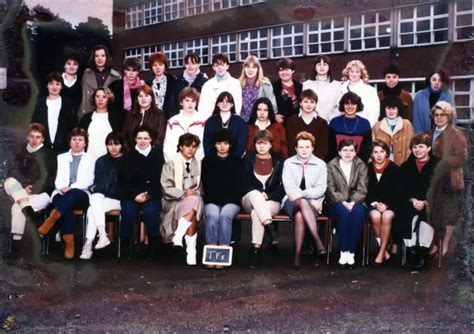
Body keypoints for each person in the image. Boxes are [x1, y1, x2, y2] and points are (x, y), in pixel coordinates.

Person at [36, 127, 96, 259]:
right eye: (74, 139)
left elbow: (89, 180)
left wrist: (72, 187)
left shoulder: (91, 159)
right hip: (61, 192)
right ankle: (70, 243)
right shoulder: (61, 157)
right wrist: (62, 187)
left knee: (72, 194)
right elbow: (57, 178)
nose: (77, 142)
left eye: (80, 140)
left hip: (81, 193)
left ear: (85, 143)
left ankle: (50, 221)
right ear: (69, 142)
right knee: (66, 205)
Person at [3, 123, 56, 257]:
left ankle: (15, 248)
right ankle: (32, 215)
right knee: (8, 181)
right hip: (22, 192)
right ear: (27, 137)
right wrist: (23, 186)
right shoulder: (22, 152)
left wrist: (32, 188)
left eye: (38, 137)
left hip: (41, 193)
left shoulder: (49, 154)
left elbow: (49, 178)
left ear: (43, 139)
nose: (34, 140)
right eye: (32, 136)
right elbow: (13, 172)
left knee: (17, 207)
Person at [118, 125, 164, 260]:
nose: (142, 141)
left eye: (146, 138)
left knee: (151, 212)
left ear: (151, 139)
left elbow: (159, 180)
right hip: (131, 195)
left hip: (151, 195)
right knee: (129, 212)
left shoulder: (157, 156)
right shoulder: (127, 157)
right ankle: (126, 247)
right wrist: (134, 196)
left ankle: (153, 248)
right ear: (135, 139)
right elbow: (123, 181)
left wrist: (148, 195)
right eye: (139, 138)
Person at [282, 131, 327, 268]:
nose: (304, 150)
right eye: (301, 147)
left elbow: (321, 189)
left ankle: (296, 257)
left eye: (307, 147)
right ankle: (317, 241)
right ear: (295, 148)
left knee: (301, 215)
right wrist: (305, 197)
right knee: (301, 202)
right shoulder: (288, 163)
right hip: (291, 202)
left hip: (314, 203)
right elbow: (289, 188)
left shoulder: (320, 164)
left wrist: (303, 194)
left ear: (312, 147)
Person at [428, 101, 468, 257]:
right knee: (434, 213)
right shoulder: (430, 133)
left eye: (442, 115)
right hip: (434, 180)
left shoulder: (456, 134)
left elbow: (462, 157)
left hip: (451, 179)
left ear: (448, 116)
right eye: (436, 115)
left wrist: (443, 162)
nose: (439, 118)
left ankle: (444, 246)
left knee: (449, 214)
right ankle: (435, 244)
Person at [242, 130, 285, 269]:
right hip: (249, 199)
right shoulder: (247, 159)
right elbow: (242, 184)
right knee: (255, 193)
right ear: (254, 145)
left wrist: (268, 195)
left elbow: (283, 187)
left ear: (271, 145)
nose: (261, 146)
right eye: (258, 143)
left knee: (257, 213)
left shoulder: (279, 161)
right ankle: (270, 229)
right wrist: (260, 193)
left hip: (271, 201)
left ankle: (256, 251)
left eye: (265, 143)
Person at [398, 134, 440, 270]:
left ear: (428, 148)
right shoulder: (406, 166)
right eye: (414, 147)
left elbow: (441, 189)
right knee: (405, 214)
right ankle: (411, 250)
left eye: (421, 146)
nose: (417, 150)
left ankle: (422, 253)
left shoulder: (438, 165)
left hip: (431, 203)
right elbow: (401, 189)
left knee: (426, 215)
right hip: (410, 202)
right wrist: (412, 200)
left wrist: (425, 202)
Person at [80, 133, 124, 260]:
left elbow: (123, 187)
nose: (113, 147)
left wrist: (104, 191)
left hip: (119, 199)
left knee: (92, 208)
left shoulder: (126, 161)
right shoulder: (101, 161)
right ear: (106, 146)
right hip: (102, 198)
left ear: (122, 145)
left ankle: (90, 244)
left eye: (116, 144)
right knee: (94, 202)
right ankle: (100, 237)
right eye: (110, 144)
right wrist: (102, 191)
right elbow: (98, 185)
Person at [201, 129, 242, 267]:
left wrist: (227, 201)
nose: (222, 146)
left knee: (224, 216)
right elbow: (206, 184)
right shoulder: (207, 161)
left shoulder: (237, 161)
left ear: (230, 145)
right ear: (214, 145)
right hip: (212, 198)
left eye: (225, 143)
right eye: (219, 143)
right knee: (212, 215)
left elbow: (238, 186)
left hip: (232, 200)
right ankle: (212, 251)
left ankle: (223, 252)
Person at [161, 133, 203, 265]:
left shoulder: (199, 164)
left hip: (193, 200)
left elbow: (201, 188)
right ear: (180, 147)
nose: (191, 149)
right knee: (194, 205)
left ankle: (179, 236)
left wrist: (193, 193)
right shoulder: (170, 164)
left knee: (195, 201)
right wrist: (184, 193)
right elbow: (166, 188)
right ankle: (191, 251)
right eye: (187, 146)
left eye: (194, 147)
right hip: (173, 200)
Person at [326, 138, 368, 269]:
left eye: (351, 150)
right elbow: (330, 188)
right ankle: (343, 251)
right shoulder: (331, 166)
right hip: (336, 202)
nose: (348, 153)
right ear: (339, 152)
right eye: (345, 150)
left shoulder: (361, 165)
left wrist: (353, 202)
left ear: (355, 152)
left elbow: (363, 188)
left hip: (357, 202)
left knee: (358, 213)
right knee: (343, 213)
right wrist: (344, 202)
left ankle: (351, 252)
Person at [366, 140, 399, 265]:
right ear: (371, 154)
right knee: (375, 215)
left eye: (382, 151)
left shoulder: (395, 169)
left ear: (387, 153)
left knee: (386, 216)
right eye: (375, 152)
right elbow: (365, 191)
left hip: (391, 205)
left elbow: (397, 192)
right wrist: (375, 204)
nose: (379, 155)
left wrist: (386, 205)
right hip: (373, 204)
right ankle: (384, 250)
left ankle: (381, 252)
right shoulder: (367, 168)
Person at [31, 72, 77, 153]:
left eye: (57, 84)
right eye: (51, 83)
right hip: (42, 148)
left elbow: (72, 126)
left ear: (62, 86)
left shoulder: (68, 104)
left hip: (63, 149)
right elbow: (34, 125)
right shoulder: (38, 103)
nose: (54, 87)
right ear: (47, 85)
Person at [327, 92, 372, 162]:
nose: (350, 107)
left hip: (359, 165)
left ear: (358, 105)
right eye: (347, 104)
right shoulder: (334, 122)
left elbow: (366, 150)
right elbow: (330, 149)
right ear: (342, 105)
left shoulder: (365, 123)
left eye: (353, 104)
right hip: (337, 164)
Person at [163, 87, 205, 161]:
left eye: (193, 101)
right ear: (181, 102)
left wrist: (198, 161)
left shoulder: (202, 121)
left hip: (197, 162)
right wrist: (173, 163)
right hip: (176, 162)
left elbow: (202, 146)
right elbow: (168, 145)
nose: (190, 104)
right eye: (187, 100)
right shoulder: (173, 121)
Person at [78, 87, 122, 159]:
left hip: (109, 160)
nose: (100, 99)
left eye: (104, 97)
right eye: (97, 96)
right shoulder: (86, 118)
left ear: (108, 99)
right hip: (89, 159)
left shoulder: (115, 118)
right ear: (94, 98)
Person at [79, 45, 121, 118]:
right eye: (97, 56)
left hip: (108, 116)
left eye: (103, 55)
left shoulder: (116, 77)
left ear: (107, 57)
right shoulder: (86, 74)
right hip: (88, 114)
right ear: (93, 58)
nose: (100, 58)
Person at [286, 89, 329, 159]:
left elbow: (322, 147)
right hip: (296, 161)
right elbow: (291, 145)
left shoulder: (322, 123)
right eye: (305, 101)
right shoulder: (291, 121)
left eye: (312, 102)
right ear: (300, 103)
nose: (309, 105)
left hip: (316, 162)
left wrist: (313, 161)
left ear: (315, 104)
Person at [198, 53, 242, 121]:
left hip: (230, 121)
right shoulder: (207, 85)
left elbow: (238, 104)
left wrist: (233, 120)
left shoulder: (235, 83)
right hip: (212, 121)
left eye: (222, 65)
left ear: (227, 66)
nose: (220, 68)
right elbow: (202, 107)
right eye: (217, 65)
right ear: (213, 67)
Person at [203, 91, 247, 158]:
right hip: (214, 161)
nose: (224, 104)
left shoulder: (240, 122)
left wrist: (234, 159)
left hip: (234, 161)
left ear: (232, 104)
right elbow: (207, 143)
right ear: (217, 104)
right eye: (222, 101)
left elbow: (241, 144)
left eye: (228, 101)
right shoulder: (210, 121)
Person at [372, 96, 414, 166]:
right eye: (388, 108)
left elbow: (410, 148)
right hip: (383, 164)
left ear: (398, 109)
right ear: (384, 109)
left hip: (403, 164)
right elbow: (373, 148)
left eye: (394, 108)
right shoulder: (377, 126)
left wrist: (406, 165)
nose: (391, 111)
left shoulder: (407, 124)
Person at [122, 84, 166, 151]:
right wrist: (130, 152)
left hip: (152, 154)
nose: (143, 99)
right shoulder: (130, 114)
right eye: (140, 96)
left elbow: (160, 137)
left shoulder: (159, 114)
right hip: (131, 154)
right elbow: (125, 136)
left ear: (152, 98)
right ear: (137, 99)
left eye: (146, 96)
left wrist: (150, 152)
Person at [412, 69, 455, 134]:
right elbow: (416, 121)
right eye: (434, 80)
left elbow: (452, 118)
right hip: (423, 136)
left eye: (440, 80)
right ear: (429, 80)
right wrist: (421, 138)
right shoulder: (419, 96)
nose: (436, 83)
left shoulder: (448, 95)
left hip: (444, 137)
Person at [340, 60, 380, 127]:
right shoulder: (341, 89)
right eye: (352, 71)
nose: (354, 74)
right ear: (347, 73)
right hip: (343, 127)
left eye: (357, 72)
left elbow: (374, 112)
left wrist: (367, 127)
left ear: (361, 73)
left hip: (362, 127)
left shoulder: (370, 90)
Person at [302, 55, 341, 123]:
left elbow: (340, 106)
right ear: (315, 67)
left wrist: (331, 119)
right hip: (312, 122)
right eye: (319, 64)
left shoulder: (338, 85)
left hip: (332, 123)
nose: (322, 67)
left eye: (325, 64)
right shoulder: (306, 85)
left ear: (329, 67)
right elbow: (304, 105)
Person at [239, 55, 278, 122]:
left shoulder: (265, 83)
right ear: (244, 69)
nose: (250, 70)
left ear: (258, 69)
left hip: (260, 122)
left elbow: (272, 105)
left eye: (254, 67)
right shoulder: (238, 84)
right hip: (242, 122)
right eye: (247, 67)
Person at [147, 51, 178, 120]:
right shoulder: (148, 84)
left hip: (170, 120)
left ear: (165, 66)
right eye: (155, 65)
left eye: (160, 65)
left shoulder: (173, 82)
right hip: (152, 120)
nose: (158, 68)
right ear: (151, 67)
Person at [272, 58, 302, 124]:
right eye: (281, 70)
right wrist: (273, 116)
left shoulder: (301, 87)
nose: (284, 73)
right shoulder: (272, 87)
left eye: (287, 70)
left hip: (297, 123)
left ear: (293, 70)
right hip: (279, 124)